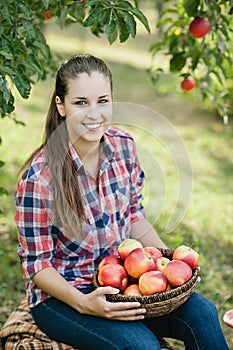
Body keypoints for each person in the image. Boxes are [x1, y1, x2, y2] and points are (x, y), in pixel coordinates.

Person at [14, 54, 229, 350]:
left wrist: (166, 264)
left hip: (121, 281)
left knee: (203, 314)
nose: (94, 113)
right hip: (64, 295)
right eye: (81, 103)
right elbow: (38, 265)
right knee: (143, 346)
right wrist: (85, 304)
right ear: (61, 106)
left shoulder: (123, 145)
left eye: (103, 101)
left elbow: (133, 216)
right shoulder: (39, 179)